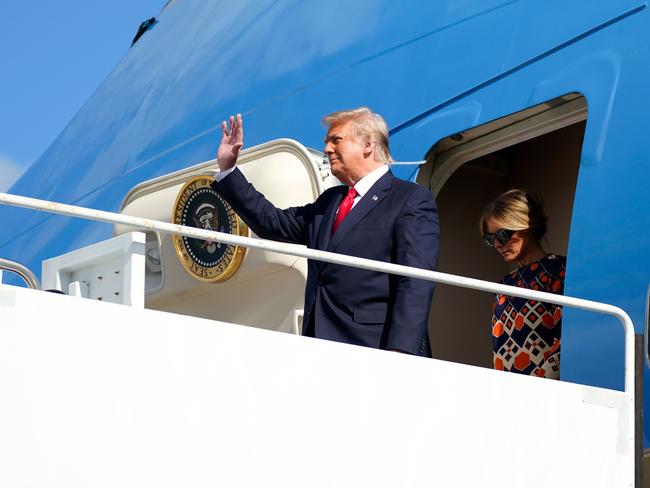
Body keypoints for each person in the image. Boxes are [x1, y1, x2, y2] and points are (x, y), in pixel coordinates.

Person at [211, 108, 440, 356]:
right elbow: (272, 222)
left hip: (375, 347)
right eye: (327, 143)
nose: (328, 149)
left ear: (368, 145)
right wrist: (229, 170)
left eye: (336, 140)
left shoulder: (410, 199)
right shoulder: (330, 202)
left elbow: (415, 280)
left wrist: (401, 350)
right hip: (320, 346)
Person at [480, 189, 566, 379]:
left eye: (502, 235)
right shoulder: (503, 286)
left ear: (527, 226)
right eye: (490, 239)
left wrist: (534, 387)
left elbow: (567, 340)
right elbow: (500, 353)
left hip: (547, 395)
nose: (497, 244)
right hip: (511, 394)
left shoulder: (559, 271)